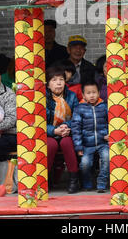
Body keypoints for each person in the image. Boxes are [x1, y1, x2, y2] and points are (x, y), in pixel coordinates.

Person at [46, 65, 80, 193]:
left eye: (61, 79)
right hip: (50, 133)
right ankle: (46, 179)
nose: (58, 83)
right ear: (48, 84)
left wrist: (67, 126)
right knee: (51, 144)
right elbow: (39, 122)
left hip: (67, 132)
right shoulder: (42, 97)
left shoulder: (71, 96)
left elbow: (77, 117)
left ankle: (73, 180)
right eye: (54, 80)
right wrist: (54, 130)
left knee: (67, 143)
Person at [71, 81, 109, 192]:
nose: (91, 95)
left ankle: (102, 183)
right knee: (85, 164)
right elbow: (76, 128)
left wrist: (109, 134)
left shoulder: (104, 106)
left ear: (99, 93)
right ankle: (87, 183)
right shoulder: (79, 108)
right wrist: (78, 146)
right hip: (87, 144)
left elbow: (111, 122)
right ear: (83, 95)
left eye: (94, 92)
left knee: (107, 158)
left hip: (103, 142)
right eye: (88, 93)